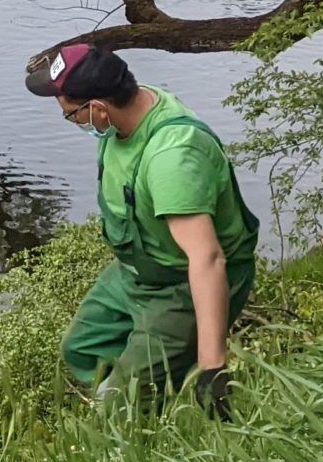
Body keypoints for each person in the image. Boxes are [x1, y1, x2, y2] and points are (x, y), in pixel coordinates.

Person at [27, 41, 259, 417]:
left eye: (71, 115)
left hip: (182, 283)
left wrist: (212, 367)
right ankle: (141, 390)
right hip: (137, 271)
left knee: (123, 408)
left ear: (99, 109)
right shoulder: (128, 107)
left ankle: (134, 415)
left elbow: (208, 259)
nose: (74, 123)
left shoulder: (171, 159)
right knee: (82, 349)